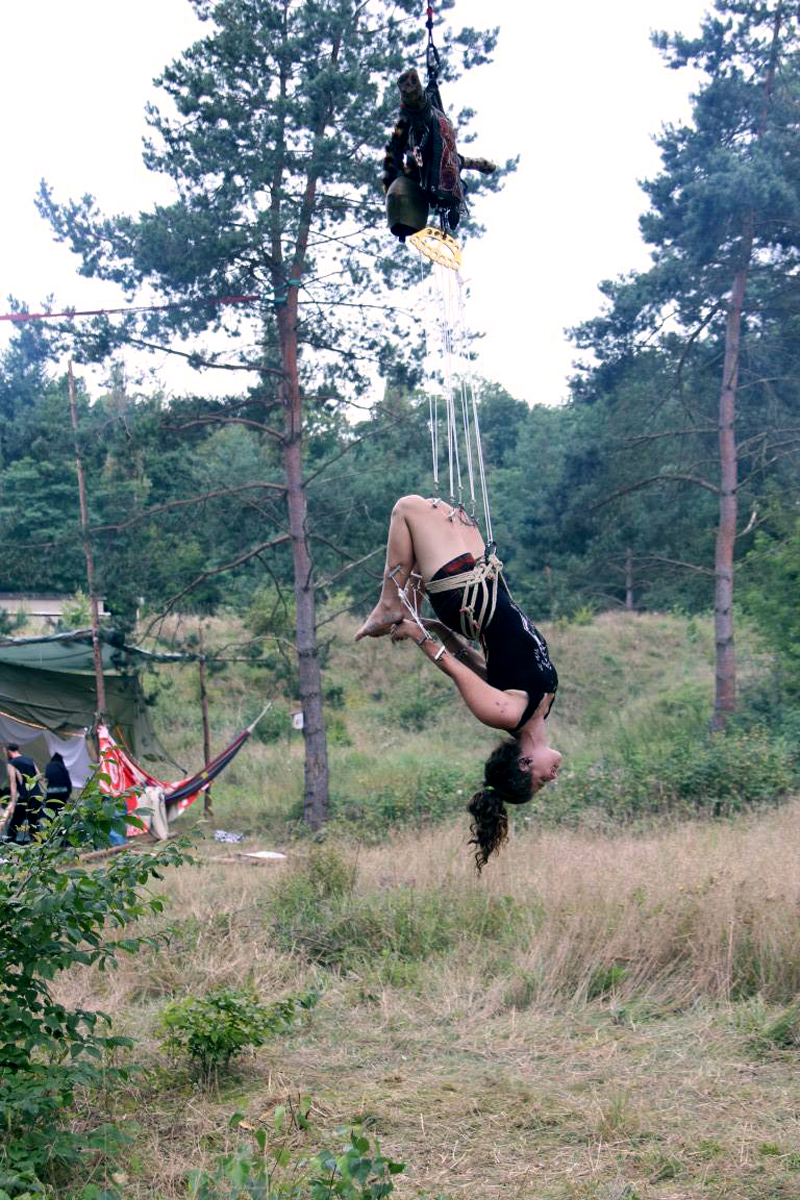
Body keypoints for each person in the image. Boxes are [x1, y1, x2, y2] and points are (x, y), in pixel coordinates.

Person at [355, 494, 561, 871]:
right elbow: (473, 658)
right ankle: (402, 604)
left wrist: (420, 635)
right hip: (483, 580)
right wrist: (433, 627)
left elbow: (455, 668)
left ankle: (391, 605)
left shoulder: (505, 712)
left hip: (461, 591)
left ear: (523, 764)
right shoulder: (538, 708)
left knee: (408, 508)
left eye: (541, 781)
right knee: (451, 511)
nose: (553, 777)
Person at [3, 744, 43, 844]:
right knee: (34, 822)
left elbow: (13, 783)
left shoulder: (12, 763)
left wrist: (12, 801)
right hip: (36, 795)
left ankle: (9, 843)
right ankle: (37, 845)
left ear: (8, 751)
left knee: (15, 822)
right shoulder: (30, 760)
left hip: (24, 797)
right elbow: (39, 776)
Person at [44, 751, 73, 818]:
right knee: (60, 810)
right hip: (62, 793)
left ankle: (49, 825)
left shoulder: (49, 766)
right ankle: (58, 825)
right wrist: (69, 791)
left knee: (49, 810)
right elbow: (68, 781)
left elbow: (47, 777)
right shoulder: (62, 767)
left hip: (51, 792)